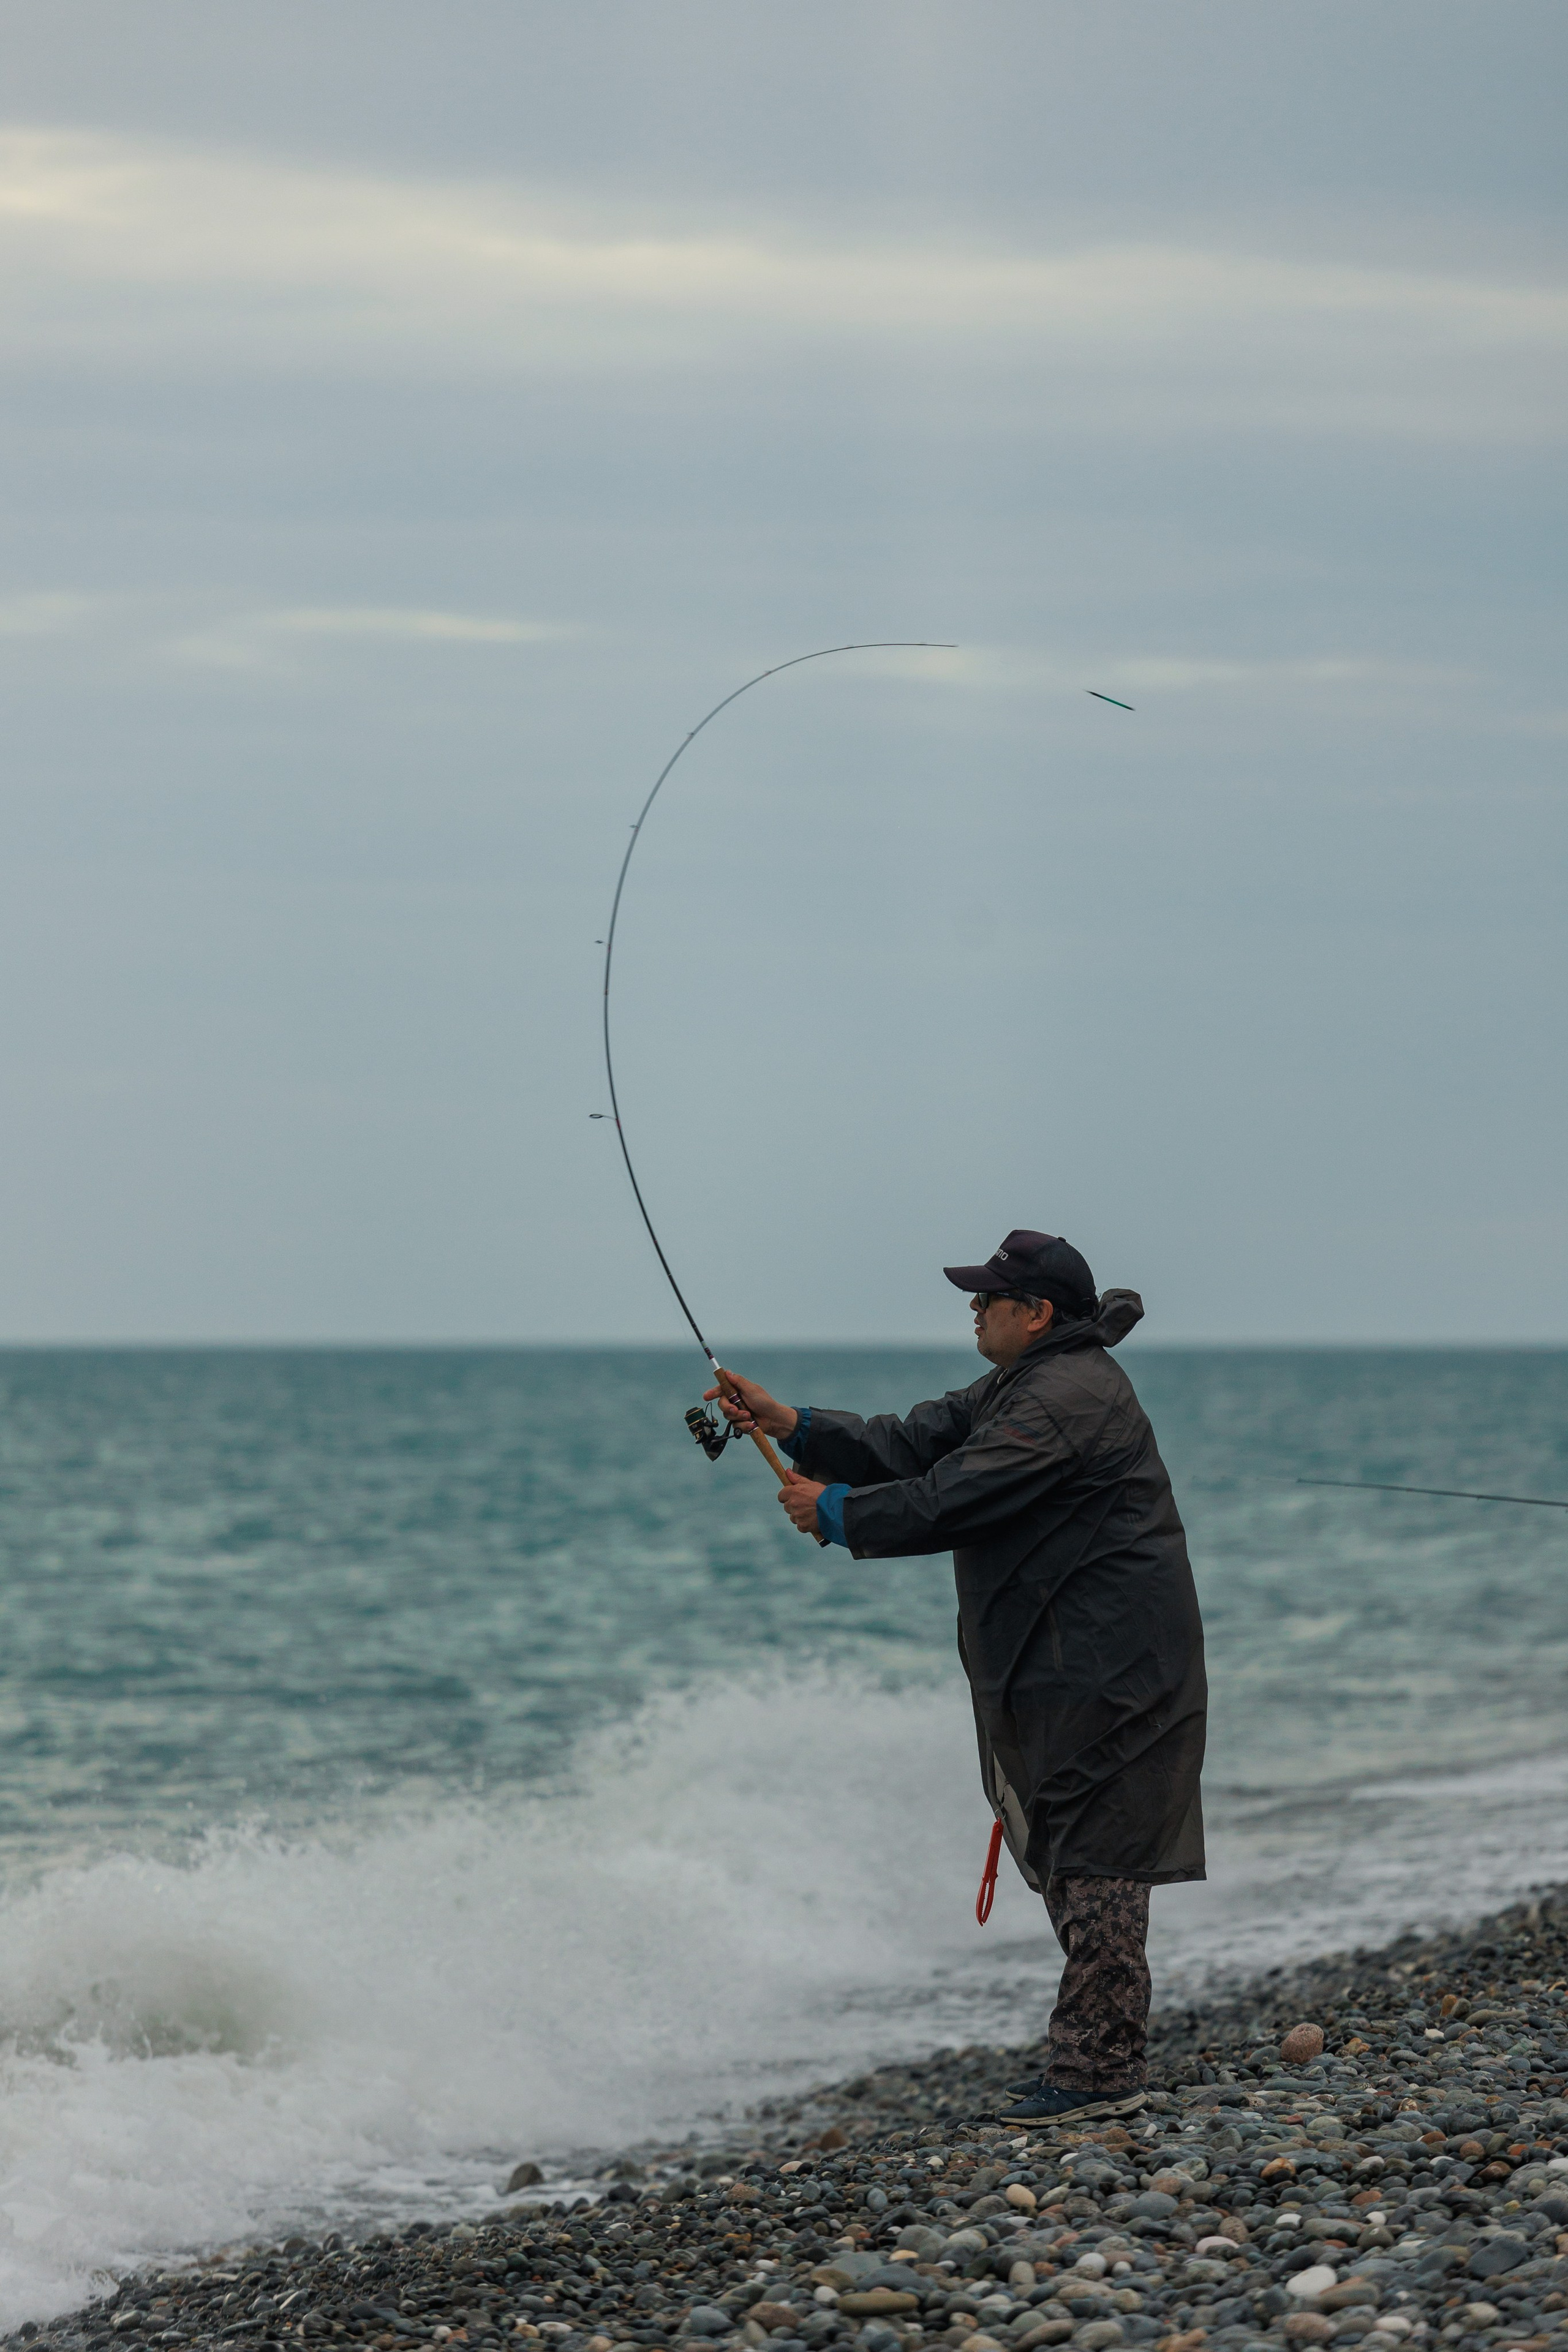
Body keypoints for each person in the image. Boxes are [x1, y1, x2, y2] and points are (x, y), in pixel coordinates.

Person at [706, 1228, 1206, 2125]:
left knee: (1096, 1857)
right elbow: (920, 1440)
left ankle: (1098, 2074)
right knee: (1072, 1846)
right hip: (1076, 1662)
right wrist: (796, 1426)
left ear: (1036, 1313)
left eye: (987, 1297)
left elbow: (956, 1494)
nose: (973, 1308)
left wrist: (838, 1512)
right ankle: (1095, 2060)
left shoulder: (1061, 1400)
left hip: (1109, 1670)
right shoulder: (1030, 1383)